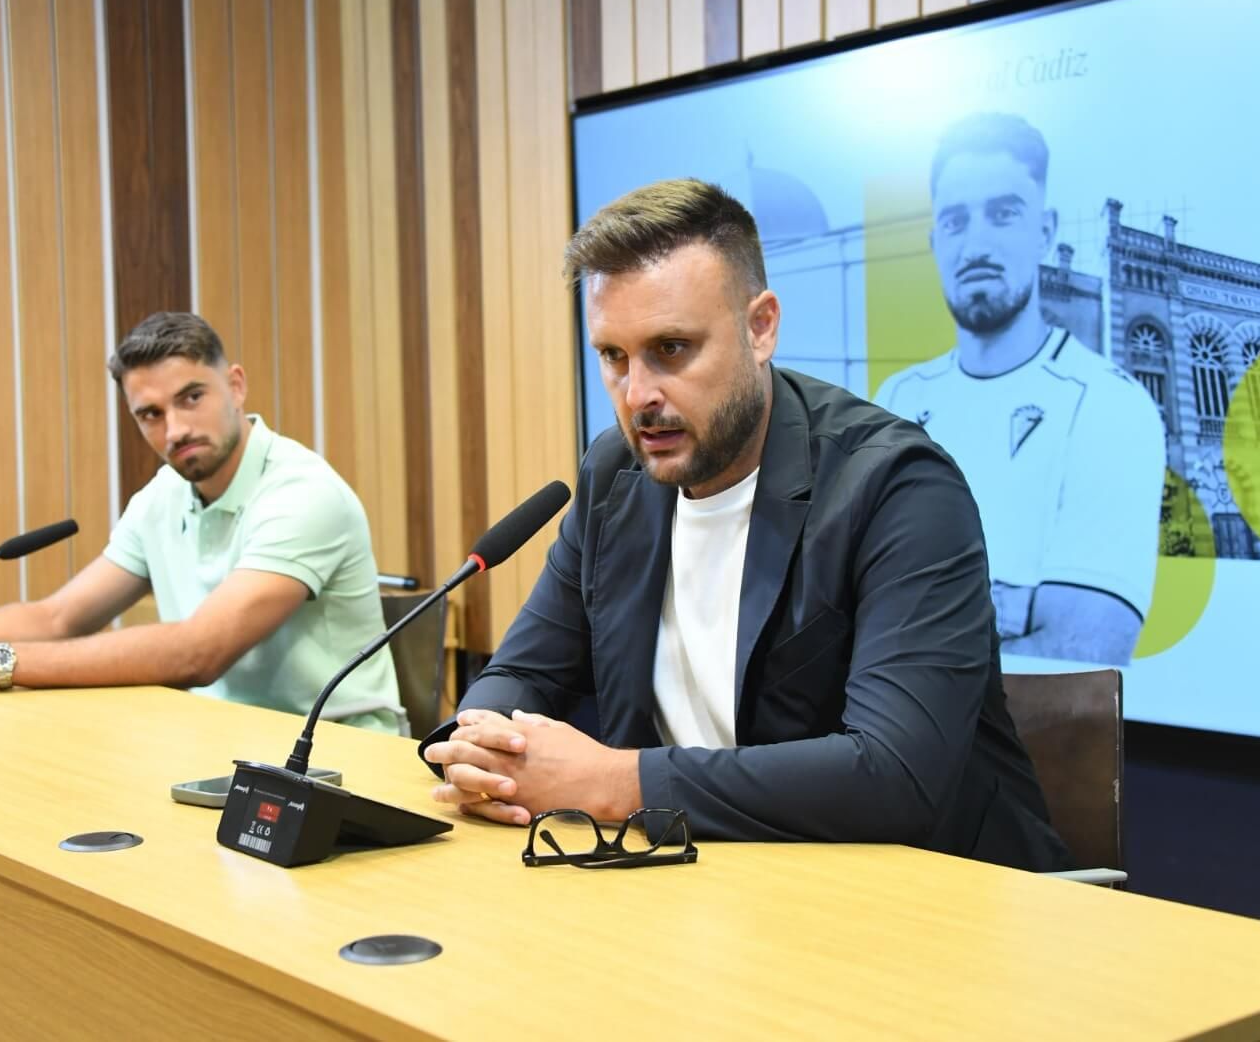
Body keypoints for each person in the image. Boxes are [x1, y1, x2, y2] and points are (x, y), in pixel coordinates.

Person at [420, 179, 1072, 870]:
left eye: (671, 349)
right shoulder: (616, 475)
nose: (638, 396)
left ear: (760, 328)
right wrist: (481, 750)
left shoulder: (897, 486)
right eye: (613, 357)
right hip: (705, 886)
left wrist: (610, 781)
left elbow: (896, 778)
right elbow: (522, 671)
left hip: (924, 905)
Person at [0, 312, 402, 732]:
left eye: (191, 398)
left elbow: (198, 653)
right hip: (217, 741)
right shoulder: (165, 493)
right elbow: (59, 617)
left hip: (334, 757)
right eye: (151, 414)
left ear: (235, 386)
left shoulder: (303, 493)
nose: (175, 429)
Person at [874, 112, 1165, 665]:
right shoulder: (896, 400)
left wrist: (910, 612)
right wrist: (1016, 604)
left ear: (1046, 232)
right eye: (957, 222)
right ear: (936, 242)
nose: (976, 244)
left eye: (1003, 214)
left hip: (1026, 755)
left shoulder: (1109, 404)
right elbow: (838, 612)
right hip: (884, 751)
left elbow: (1081, 650)